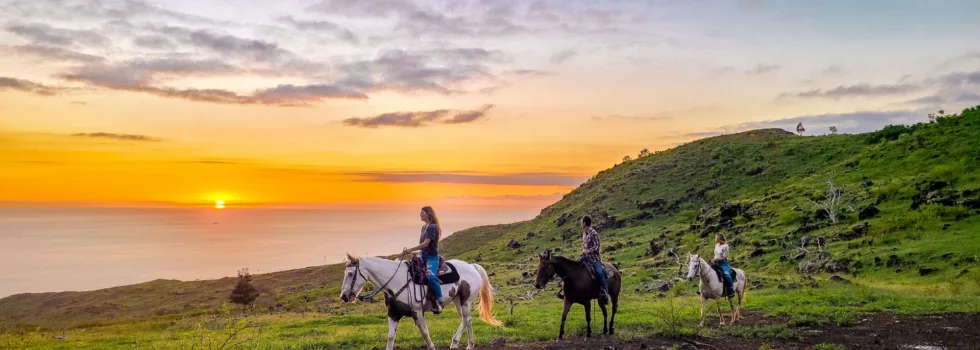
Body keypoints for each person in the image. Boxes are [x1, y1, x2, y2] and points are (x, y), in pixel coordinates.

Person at [402, 206, 444, 313]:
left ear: (428, 214)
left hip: (432, 257)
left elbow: (425, 243)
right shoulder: (424, 227)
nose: (420, 215)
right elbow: (421, 245)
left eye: (422, 213)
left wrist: (410, 250)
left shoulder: (432, 227)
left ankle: (440, 299)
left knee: (430, 277)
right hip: (422, 256)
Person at [580, 215, 608, 303]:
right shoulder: (584, 233)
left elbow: (596, 247)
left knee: (599, 273)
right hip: (584, 258)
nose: (581, 224)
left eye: (581, 222)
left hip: (594, 259)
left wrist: (587, 251)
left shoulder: (594, 233)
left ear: (584, 223)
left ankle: (604, 291)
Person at [710, 233, 734, 297]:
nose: (715, 238)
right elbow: (716, 254)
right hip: (715, 262)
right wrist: (713, 260)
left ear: (719, 238)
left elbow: (724, 257)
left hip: (723, 263)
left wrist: (716, 259)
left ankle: (731, 289)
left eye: (716, 237)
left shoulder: (726, 246)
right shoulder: (716, 245)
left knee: (727, 276)